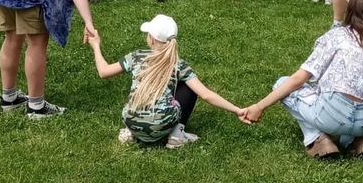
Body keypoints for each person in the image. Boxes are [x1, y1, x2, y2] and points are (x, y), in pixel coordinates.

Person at [240, 0, 363, 159]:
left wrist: (259, 106)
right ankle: (358, 140)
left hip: (332, 115)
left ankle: (318, 139)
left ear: (349, 11)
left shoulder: (335, 36)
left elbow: (299, 79)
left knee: (282, 83)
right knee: (348, 104)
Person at [86, 15, 248, 147]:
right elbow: (206, 95)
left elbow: (104, 72)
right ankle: (176, 136)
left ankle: (131, 133)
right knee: (189, 87)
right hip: (162, 125)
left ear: (151, 38)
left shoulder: (136, 57)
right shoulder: (179, 64)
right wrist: (237, 110)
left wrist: (96, 45)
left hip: (131, 121)